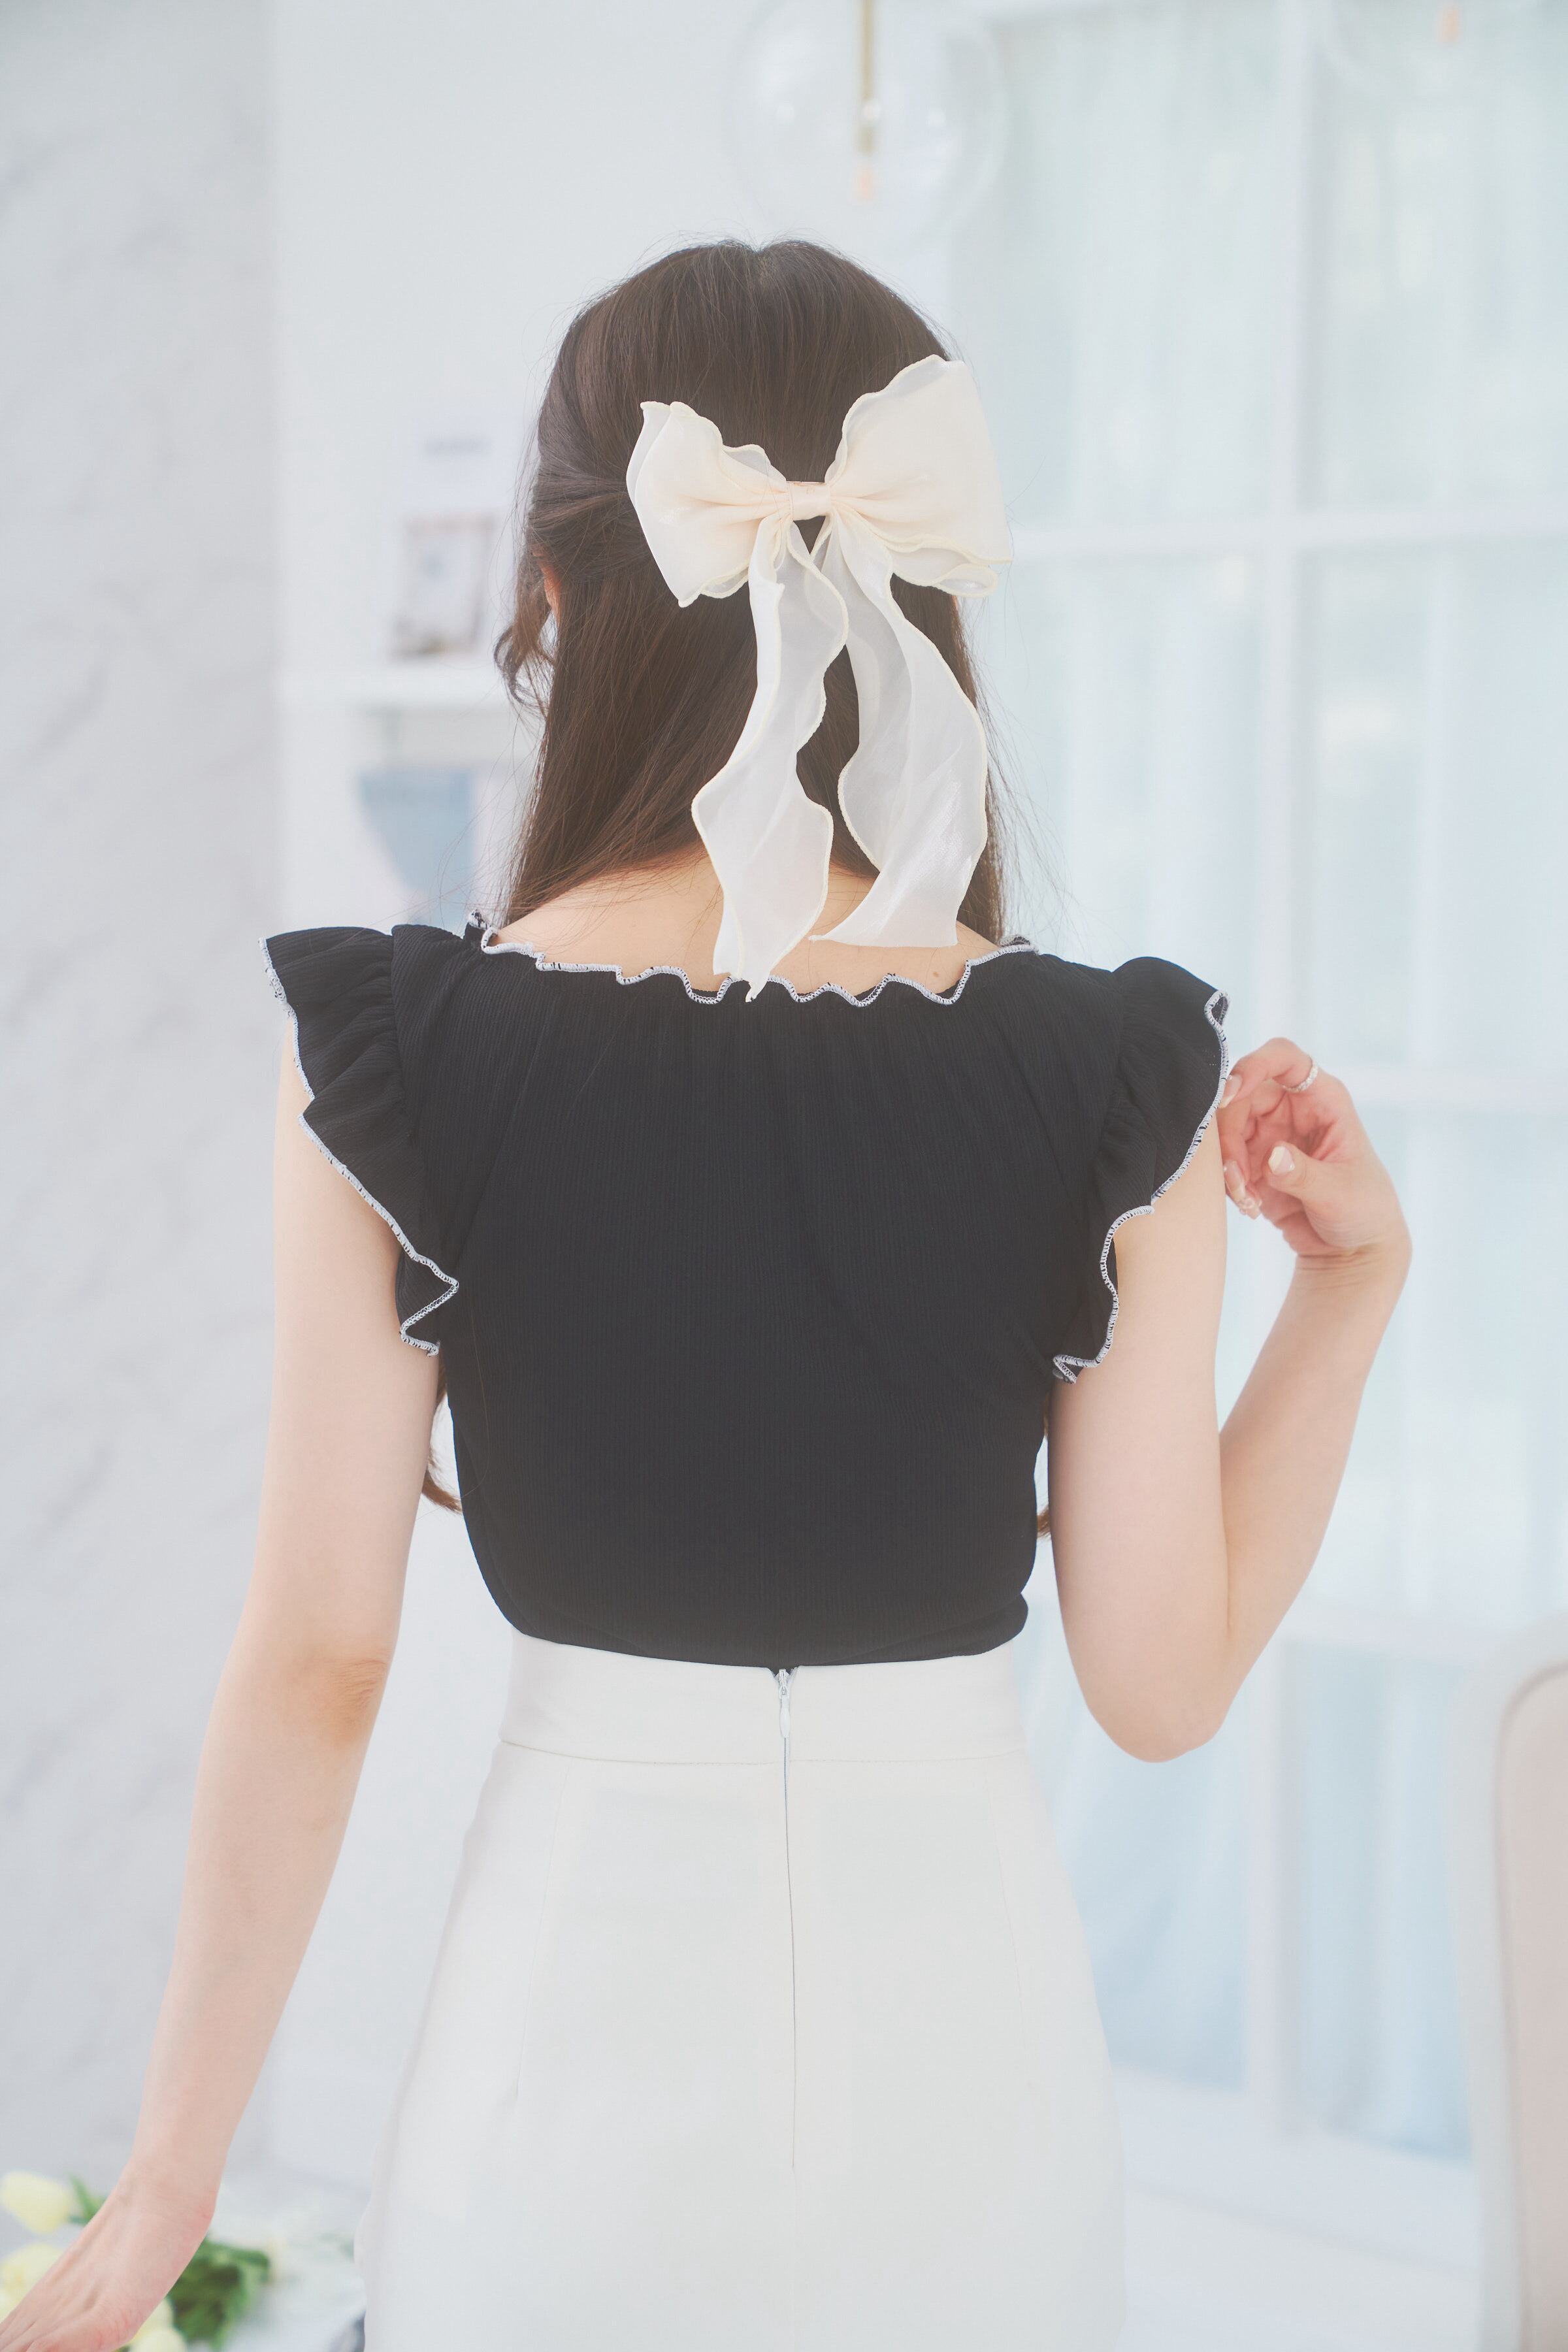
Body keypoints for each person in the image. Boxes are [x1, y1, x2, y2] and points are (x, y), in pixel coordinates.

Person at [1, 241, 1409, 2352]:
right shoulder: (1113, 1071)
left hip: (557, 2087)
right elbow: (1161, 1681)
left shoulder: (396, 1052)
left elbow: (318, 1658)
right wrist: (1351, 1293)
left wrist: (166, 2187)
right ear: (921, 593)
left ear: (558, 596)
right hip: (977, 2095)